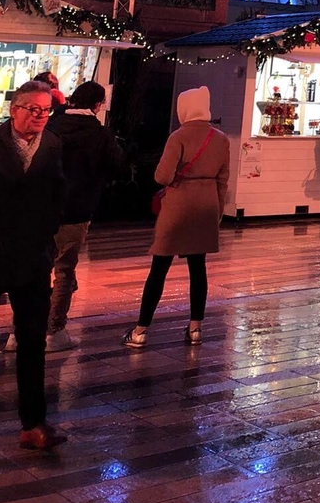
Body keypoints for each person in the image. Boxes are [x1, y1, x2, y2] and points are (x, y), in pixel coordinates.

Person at [123, 86, 229, 349]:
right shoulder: (221, 139)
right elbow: (223, 180)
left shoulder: (178, 136)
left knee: (159, 268)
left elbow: (162, 176)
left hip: (179, 205)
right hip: (206, 206)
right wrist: (218, 211)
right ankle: (195, 329)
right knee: (198, 269)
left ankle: (141, 330)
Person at [0, 80, 66, 449]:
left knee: (32, 340)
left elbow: (58, 192)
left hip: (34, 255)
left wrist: (48, 234)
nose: (40, 116)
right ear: (14, 109)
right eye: (33, 109)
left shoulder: (54, 144)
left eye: (46, 110)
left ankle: (33, 423)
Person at [45, 81, 125, 352]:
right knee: (64, 271)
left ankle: (21, 331)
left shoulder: (52, 126)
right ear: (97, 105)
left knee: (37, 269)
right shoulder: (100, 134)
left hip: (42, 209)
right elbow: (118, 166)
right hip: (77, 210)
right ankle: (54, 331)